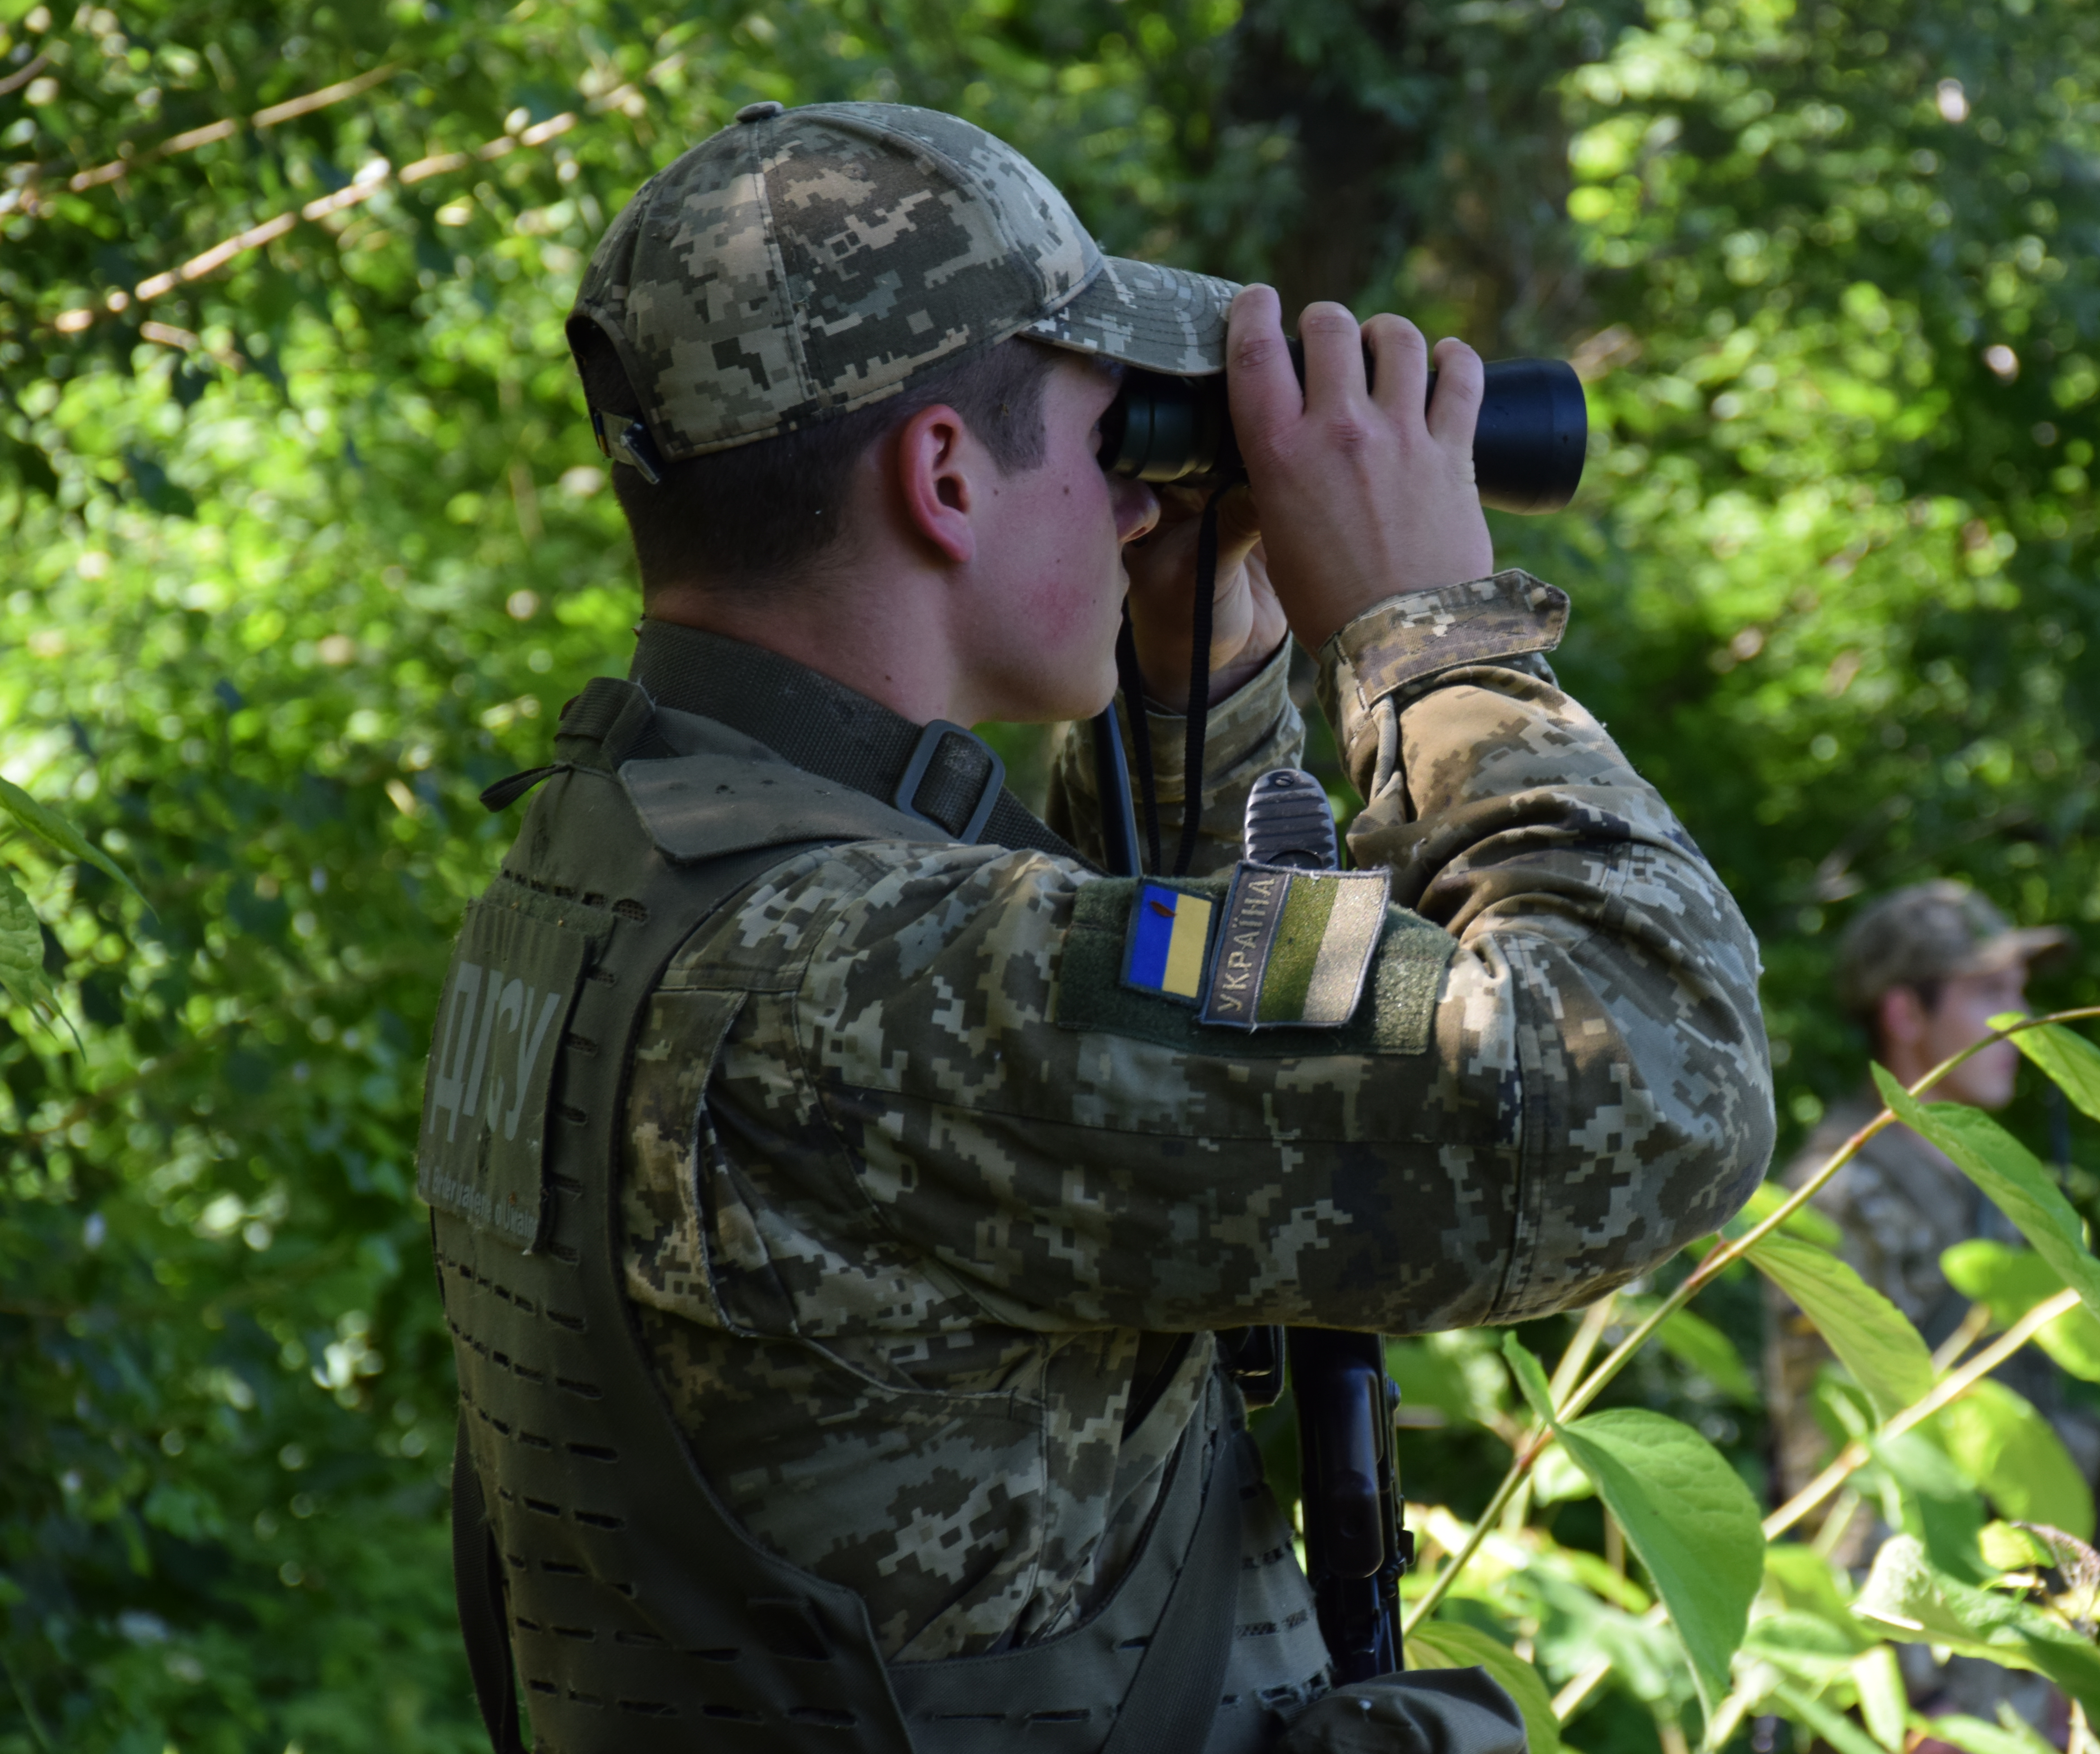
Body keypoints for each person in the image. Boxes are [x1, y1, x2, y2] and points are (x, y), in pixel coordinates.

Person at [412, 99, 1773, 1754]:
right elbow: (1646, 1082)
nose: (1141, 501)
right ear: (943, 474)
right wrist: (1433, 636)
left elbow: (1108, 1090)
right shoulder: (853, 970)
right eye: (1105, 437)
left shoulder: (620, 857)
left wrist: (1194, 698)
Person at [1757, 880, 2100, 1733]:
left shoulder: (1996, 1182)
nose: (2020, 1023)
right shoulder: (1835, 1195)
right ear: (1905, 1015)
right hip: (1910, 1679)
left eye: (2020, 993)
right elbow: (1830, 1460)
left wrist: (2074, 1641)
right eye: (1989, 994)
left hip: (2016, 1649)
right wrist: (1916, 1704)